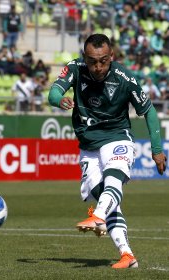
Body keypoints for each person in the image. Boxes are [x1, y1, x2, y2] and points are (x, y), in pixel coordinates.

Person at [48, 34, 167, 269]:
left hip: (117, 137)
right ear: (85, 57)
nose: (98, 67)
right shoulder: (75, 68)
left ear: (111, 56)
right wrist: (60, 100)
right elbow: (53, 93)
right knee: (103, 194)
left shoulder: (124, 77)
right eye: (93, 61)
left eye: (103, 60)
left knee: (113, 179)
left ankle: (98, 216)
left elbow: (149, 111)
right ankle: (127, 255)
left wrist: (157, 149)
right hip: (88, 147)